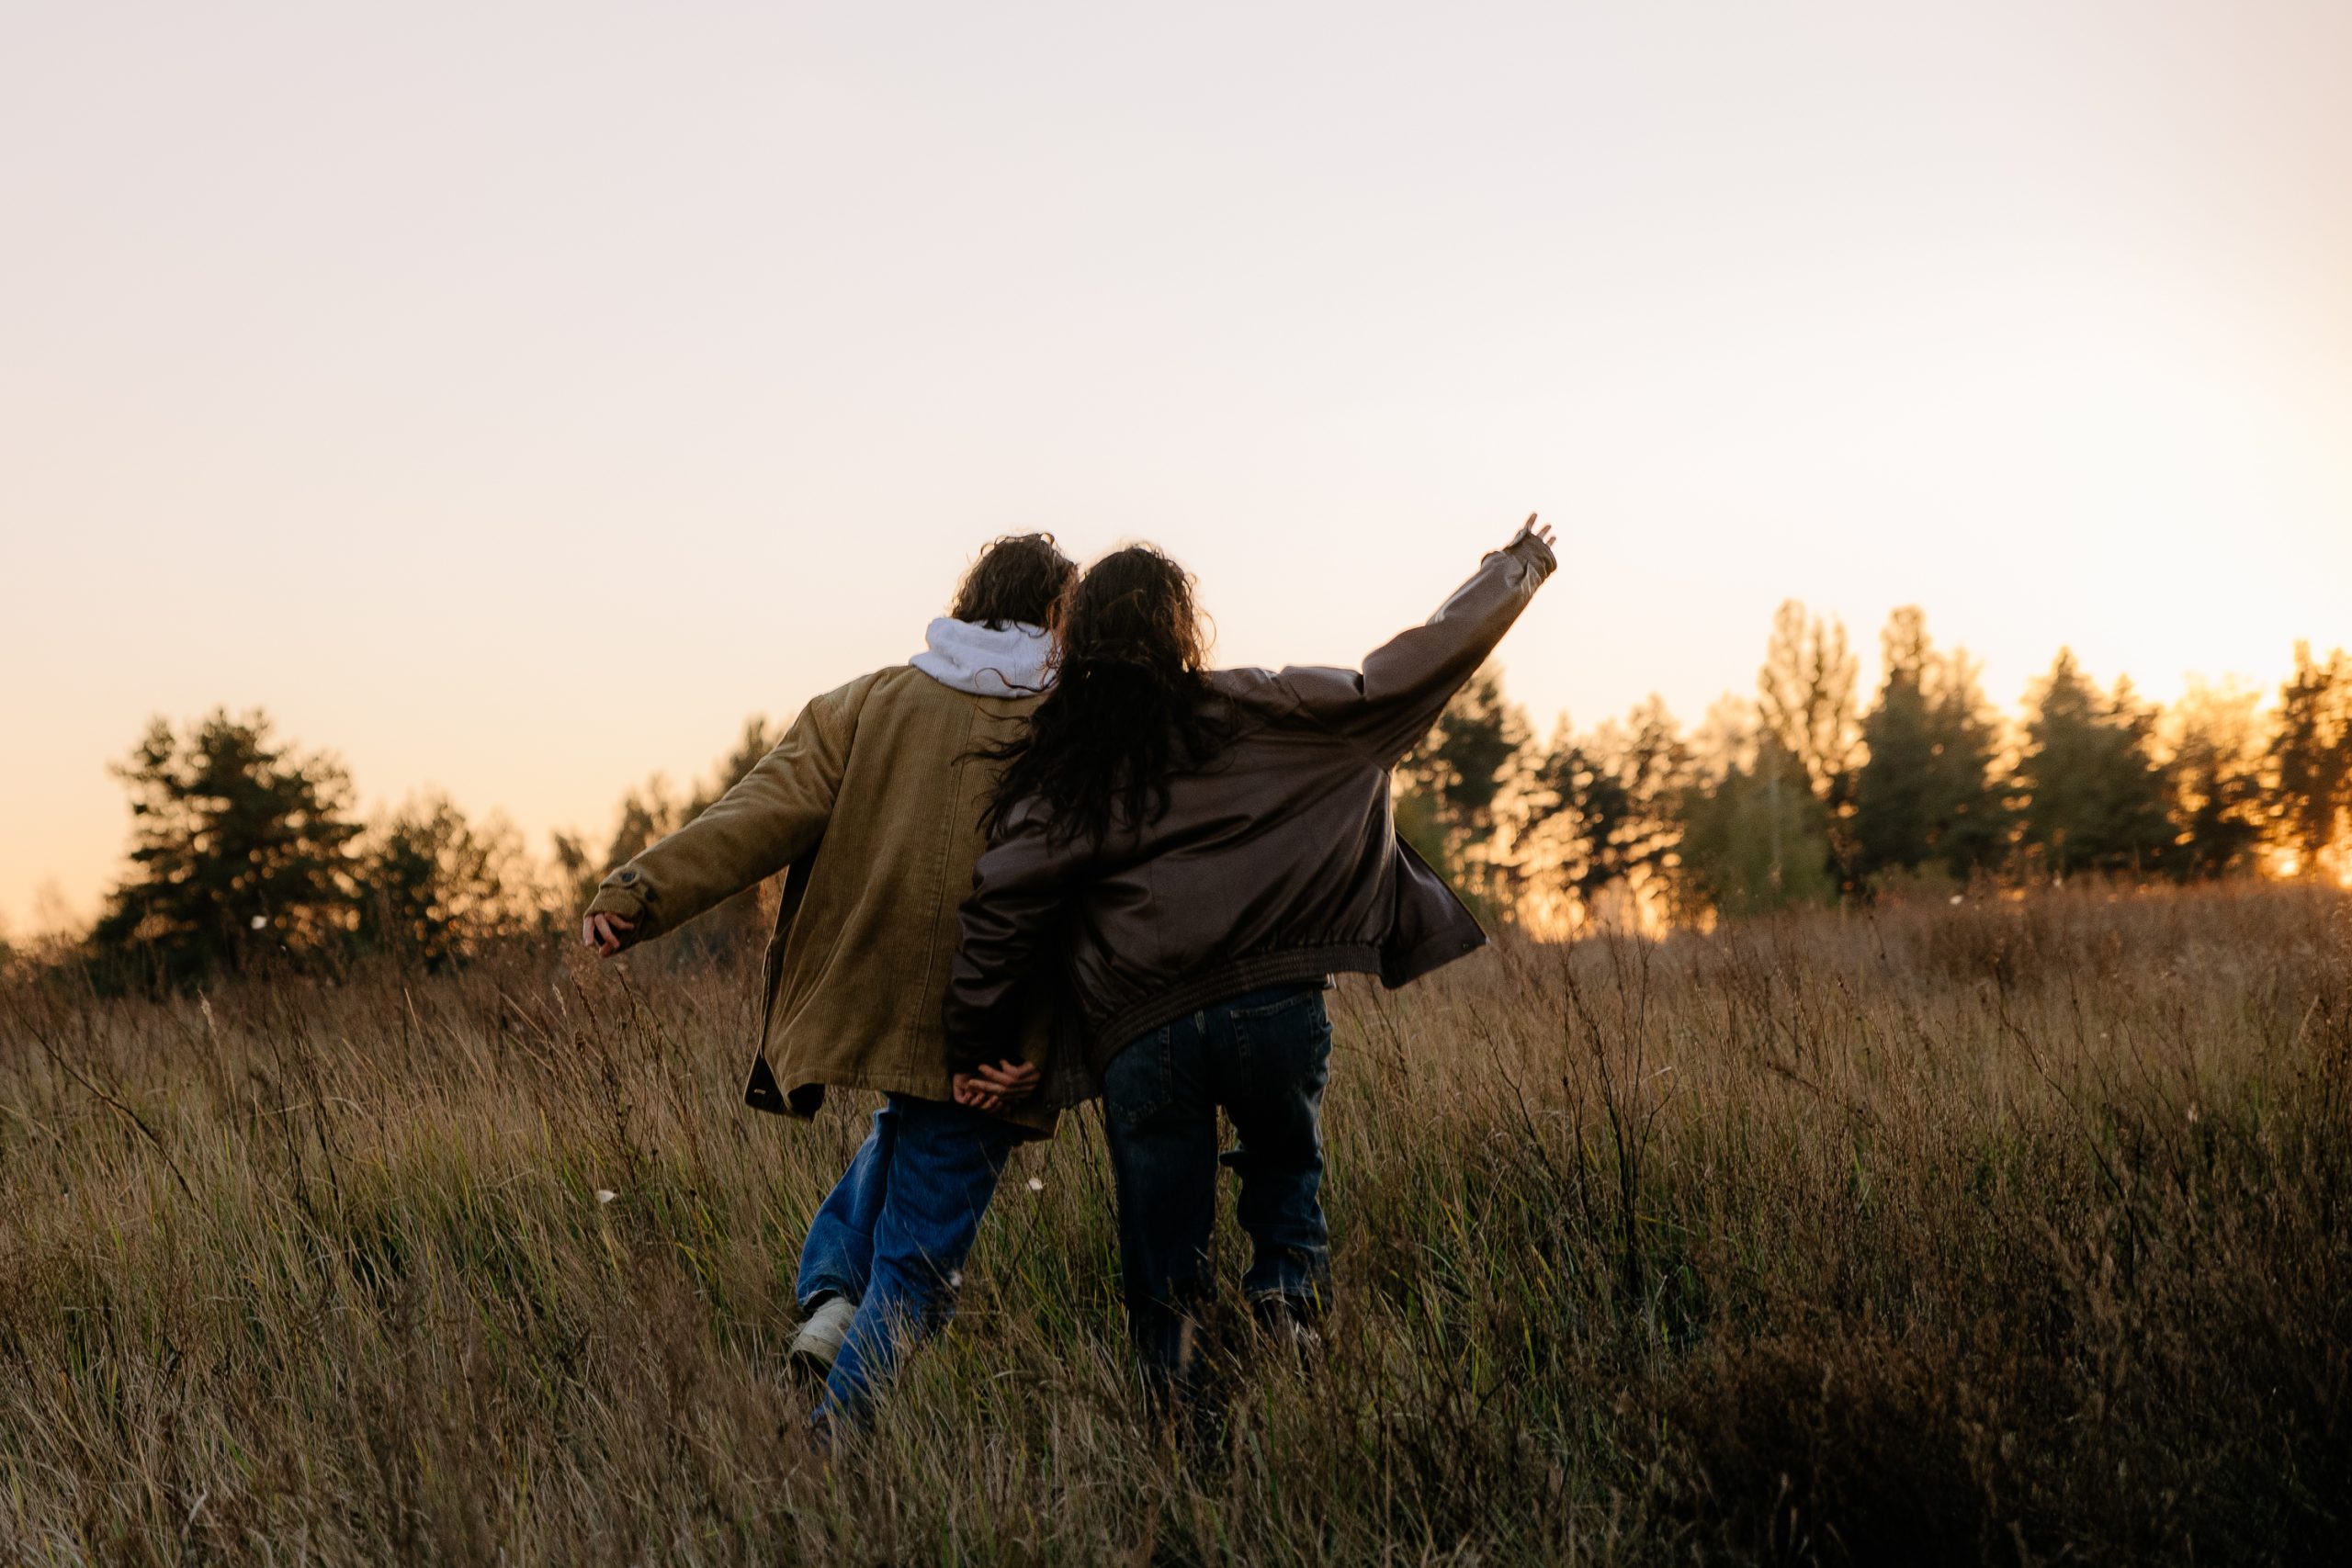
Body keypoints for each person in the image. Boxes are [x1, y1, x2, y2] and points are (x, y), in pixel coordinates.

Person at [944, 515, 1558, 1404]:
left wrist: (976, 1042)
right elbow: (1411, 665)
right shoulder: (1263, 705)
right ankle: (1289, 1328)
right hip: (1273, 1010)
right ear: (1178, 629)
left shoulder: (1069, 764)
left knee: (1163, 1263)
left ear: (1078, 642)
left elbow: (998, 906)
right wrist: (1514, 569)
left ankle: (1180, 1422)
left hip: (1143, 1033)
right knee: (1286, 1178)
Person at [581, 533, 1077, 1429]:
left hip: (872, 994)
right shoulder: (1072, 723)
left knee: (904, 1126)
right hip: (992, 1030)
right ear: (1056, 617)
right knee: (920, 1269)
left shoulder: (865, 704)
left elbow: (755, 814)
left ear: (968, 602)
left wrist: (638, 894)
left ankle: (831, 1300)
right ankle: (831, 1453)